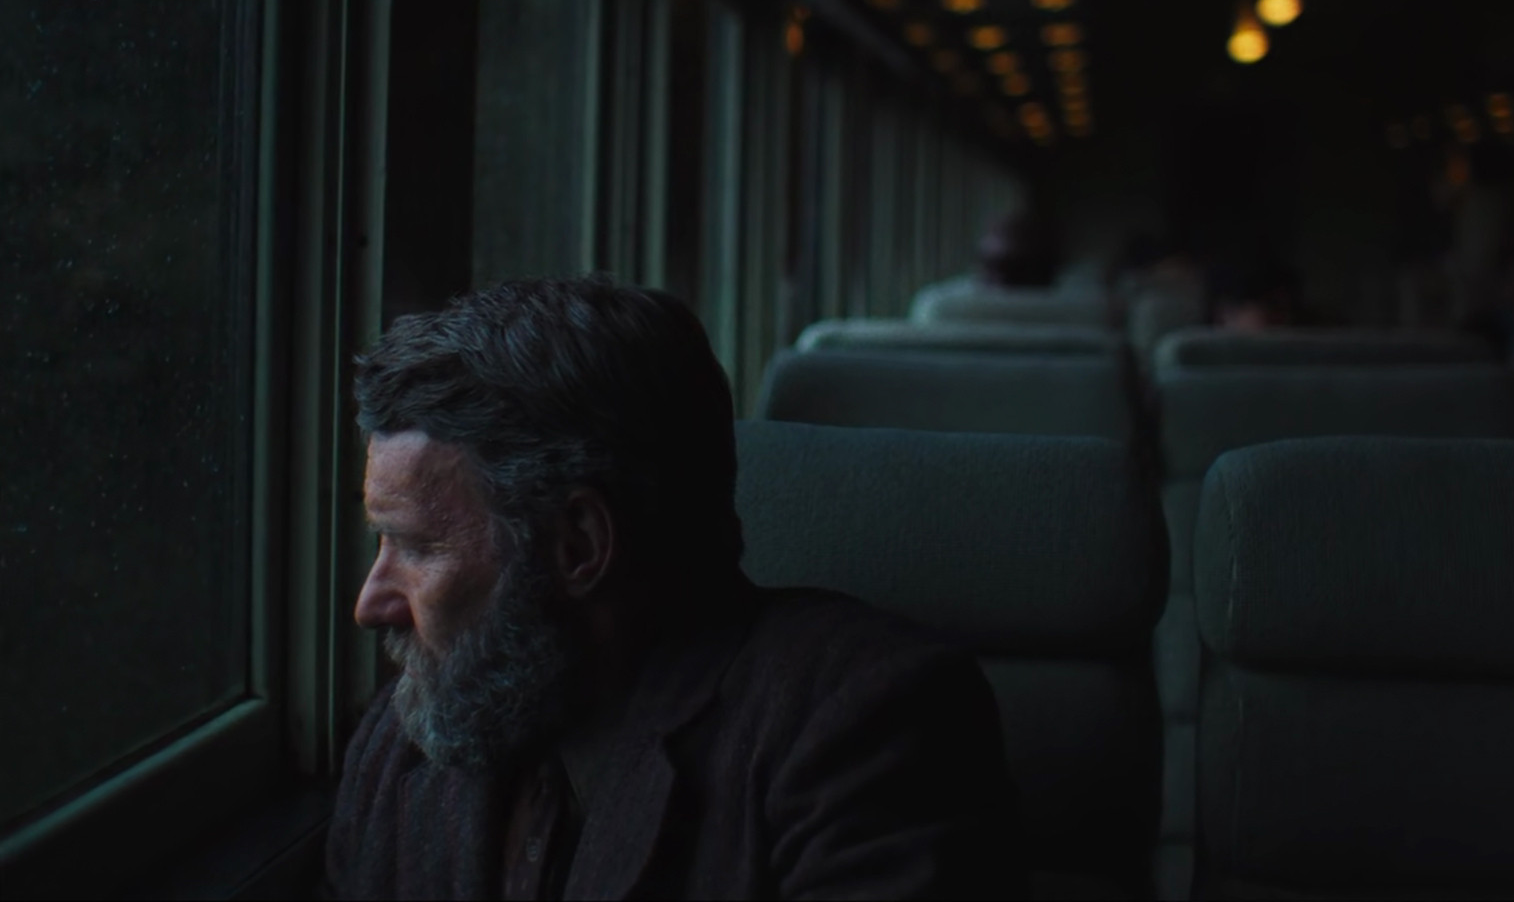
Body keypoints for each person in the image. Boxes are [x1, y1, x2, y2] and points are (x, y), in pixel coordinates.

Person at [325, 276, 1022, 900]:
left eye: (417, 547)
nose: (371, 603)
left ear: (578, 546)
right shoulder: (401, 747)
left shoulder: (865, 725)